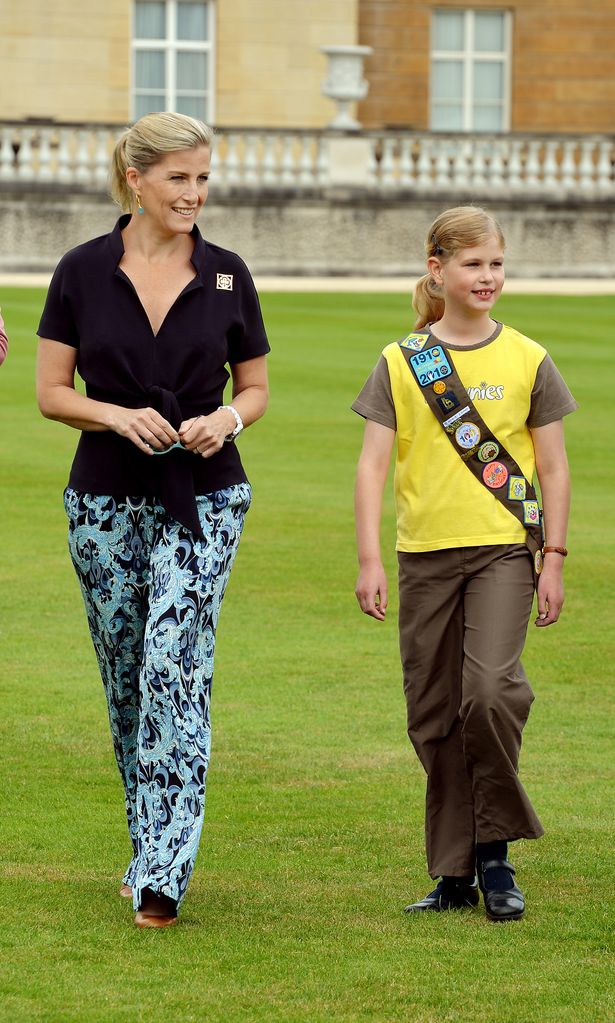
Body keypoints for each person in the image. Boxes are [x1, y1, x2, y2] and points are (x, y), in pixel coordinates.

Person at [36, 112, 270, 929]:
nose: (194, 194)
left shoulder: (230, 273)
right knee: (128, 675)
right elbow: (51, 392)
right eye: (180, 178)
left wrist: (226, 423)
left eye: (203, 179)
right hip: (101, 499)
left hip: (205, 498)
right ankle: (145, 845)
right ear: (136, 179)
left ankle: (166, 871)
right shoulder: (80, 271)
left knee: (175, 659)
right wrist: (113, 415)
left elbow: (255, 390)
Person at [352, 206, 577, 922]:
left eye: (495, 264)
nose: (487, 277)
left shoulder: (528, 358)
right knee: (432, 714)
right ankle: (453, 873)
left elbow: (553, 465)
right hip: (421, 556)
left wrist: (553, 557)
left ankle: (494, 854)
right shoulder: (400, 361)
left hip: (503, 550)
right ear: (437, 270)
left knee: (487, 692)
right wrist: (368, 558)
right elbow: (370, 465)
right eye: (473, 264)